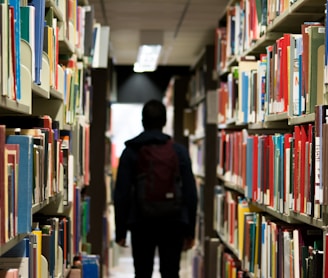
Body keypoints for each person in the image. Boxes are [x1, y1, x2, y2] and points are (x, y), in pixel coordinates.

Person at [114, 99, 198, 278]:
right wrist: (190, 231)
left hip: (141, 222)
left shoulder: (130, 151)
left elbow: (122, 193)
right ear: (165, 122)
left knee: (142, 272)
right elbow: (191, 192)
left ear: (143, 121)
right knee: (170, 272)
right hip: (173, 222)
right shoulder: (179, 151)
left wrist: (121, 230)